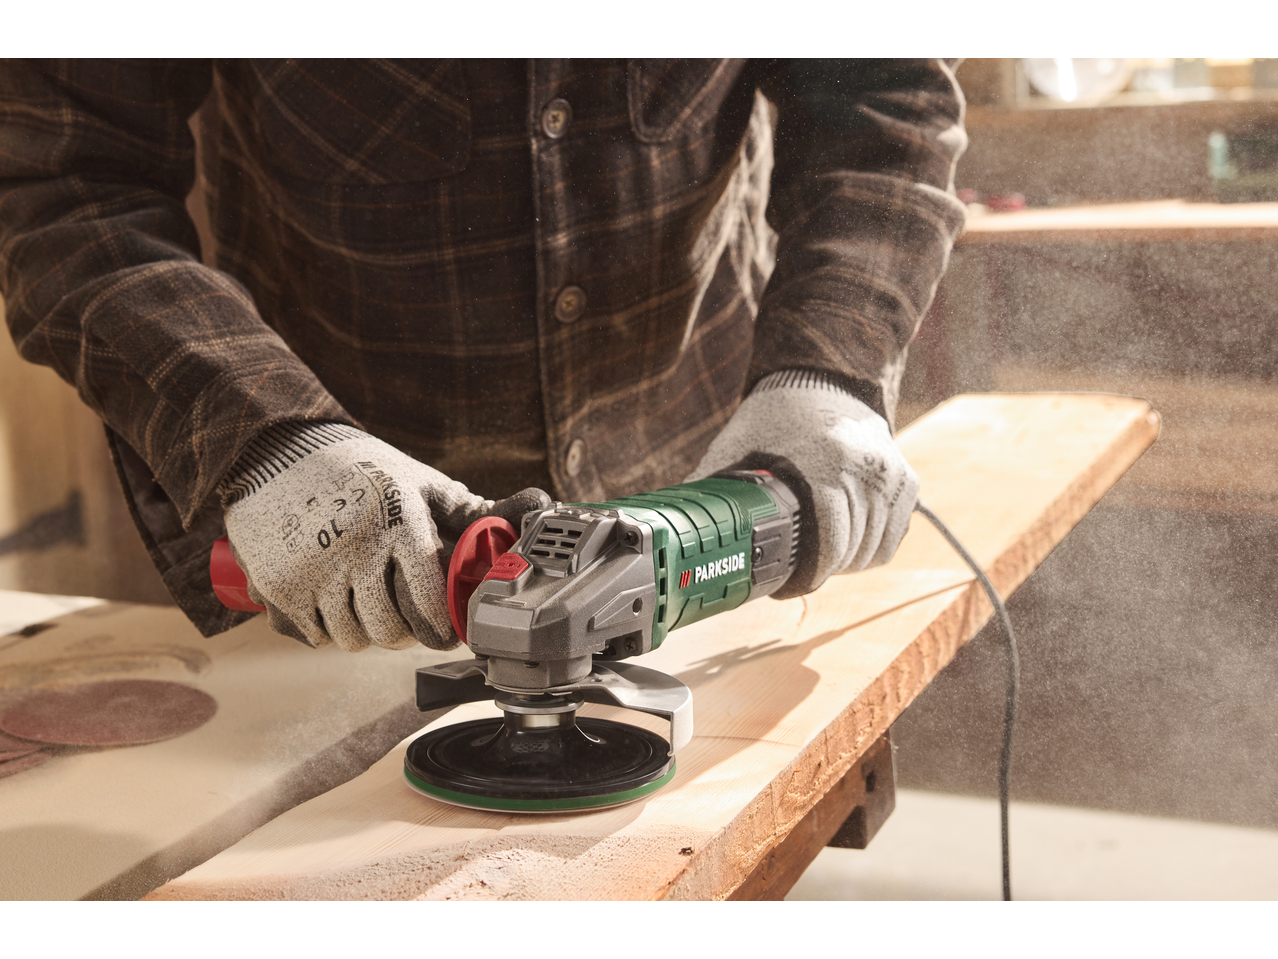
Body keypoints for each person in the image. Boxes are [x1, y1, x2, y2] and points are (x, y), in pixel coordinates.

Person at [0, 59, 967, 652]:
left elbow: (882, 99)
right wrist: (264, 437)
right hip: (344, 531)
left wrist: (828, 368)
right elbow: (64, 188)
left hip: (702, 459)